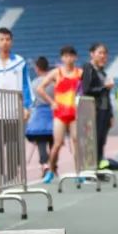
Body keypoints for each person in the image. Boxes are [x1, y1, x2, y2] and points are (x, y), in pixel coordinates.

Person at [0, 27, 33, 148]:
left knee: (14, 147)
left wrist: (26, 106)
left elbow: (26, 85)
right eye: (2, 39)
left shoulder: (20, 62)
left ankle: (14, 167)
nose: (5, 42)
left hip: (15, 112)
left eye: (8, 39)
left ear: (11, 42)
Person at [38, 46, 82, 183]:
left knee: (76, 142)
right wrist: (52, 102)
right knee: (57, 144)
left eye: (71, 56)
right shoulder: (57, 73)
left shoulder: (80, 73)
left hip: (75, 113)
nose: (68, 58)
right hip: (60, 114)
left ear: (75, 57)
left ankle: (78, 173)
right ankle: (51, 171)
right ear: (62, 58)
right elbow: (40, 88)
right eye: (66, 56)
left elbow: (87, 89)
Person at [81, 43, 114, 168]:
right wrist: (104, 87)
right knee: (93, 141)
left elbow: (107, 96)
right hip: (94, 110)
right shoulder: (88, 67)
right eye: (100, 52)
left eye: (105, 53)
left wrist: (110, 114)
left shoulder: (103, 73)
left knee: (101, 140)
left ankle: (98, 168)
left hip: (104, 111)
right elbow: (87, 89)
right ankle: (90, 168)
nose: (103, 56)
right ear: (92, 54)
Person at [25, 57, 55, 176]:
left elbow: (32, 101)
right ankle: (53, 165)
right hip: (53, 113)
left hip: (39, 115)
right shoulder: (54, 82)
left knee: (41, 141)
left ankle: (45, 165)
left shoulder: (34, 83)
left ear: (37, 68)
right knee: (53, 141)